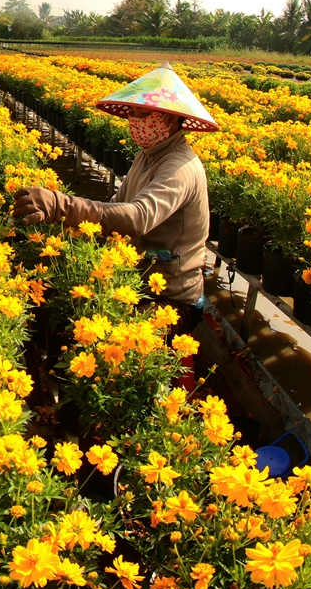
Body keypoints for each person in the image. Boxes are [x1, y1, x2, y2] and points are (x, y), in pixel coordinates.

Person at [12, 65, 219, 376]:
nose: (135, 122)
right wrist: (62, 234)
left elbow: (137, 218)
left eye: (143, 113)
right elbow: (114, 210)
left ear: (171, 119)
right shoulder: (145, 155)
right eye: (133, 112)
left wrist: (61, 204)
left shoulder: (180, 167)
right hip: (133, 279)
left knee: (108, 355)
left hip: (169, 298)